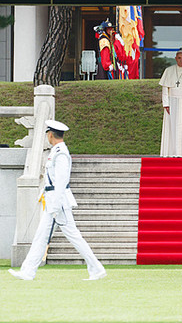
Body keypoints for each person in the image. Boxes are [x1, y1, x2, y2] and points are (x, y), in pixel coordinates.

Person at [8, 120, 106, 281]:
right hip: (54, 201)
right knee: (42, 236)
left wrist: (54, 205)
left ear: (50, 134)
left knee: (73, 236)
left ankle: (96, 268)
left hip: (58, 203)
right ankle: (28, 271)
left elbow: (61, 181)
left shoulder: (60, 152)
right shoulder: (57, 151)